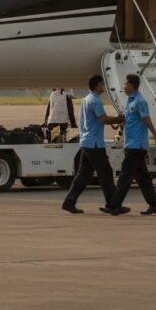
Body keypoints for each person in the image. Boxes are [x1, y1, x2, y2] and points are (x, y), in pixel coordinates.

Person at [102, 74, 156, 216]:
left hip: (136, 146)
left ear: (132, 85)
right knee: (143, 178)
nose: (123, 86)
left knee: (125, 176)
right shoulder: (130, 101)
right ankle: (154, 205)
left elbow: (147, 120)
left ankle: (114, 205)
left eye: (125, 84)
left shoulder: (139, 101)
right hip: (131, 144)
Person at [61, 75, 123, 214]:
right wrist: (119, 119)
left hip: (86, 141)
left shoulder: (86, 99)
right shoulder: (95, 100)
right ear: (96, 85)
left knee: (83, 175)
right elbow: (103, 118)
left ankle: (69, 202)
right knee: (105, 173)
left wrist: (114, 121)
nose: (103, 87)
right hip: (95, 143)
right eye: (102, 84)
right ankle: (113, 205)